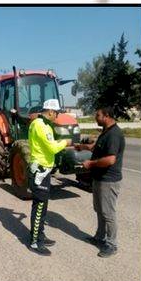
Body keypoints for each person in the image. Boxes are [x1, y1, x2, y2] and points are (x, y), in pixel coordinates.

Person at [77, 106, 125, 258]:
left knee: (108, 213)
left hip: (108, 180)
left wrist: (90, 164)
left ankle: (111, 244)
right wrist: (83, 147)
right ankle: (99, 237)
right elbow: (97, 148)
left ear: (106, 116)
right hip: (99, 178)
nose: (95, 118)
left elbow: (110, 159)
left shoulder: (114, 135)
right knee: (99, 210)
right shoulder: (105, 132)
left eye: (97, 115)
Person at [27, 99, 70, 256]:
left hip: (42, 170)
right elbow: (52, 148)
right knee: (39, 207)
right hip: (40, 171)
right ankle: (35, 242)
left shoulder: (42, 123)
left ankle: (40, 235)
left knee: (42, 206)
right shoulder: (40, 125)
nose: (57, 116)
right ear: (50, 111)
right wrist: (66, 141)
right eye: (57, 113)